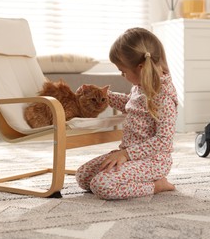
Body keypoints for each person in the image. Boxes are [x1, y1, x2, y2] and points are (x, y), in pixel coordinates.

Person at [75, 27, 178, 200]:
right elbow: (130, 105)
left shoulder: (164, 98)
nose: (122, 75)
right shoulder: (140, 87)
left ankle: (156, 185)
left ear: (140, 68)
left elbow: (164, 141)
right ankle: (133, 177)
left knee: (101, 186)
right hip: (130, 155)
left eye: (123, 71)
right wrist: (104, 96)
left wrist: (125, 155)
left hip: (152, 161)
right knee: (83, 177)